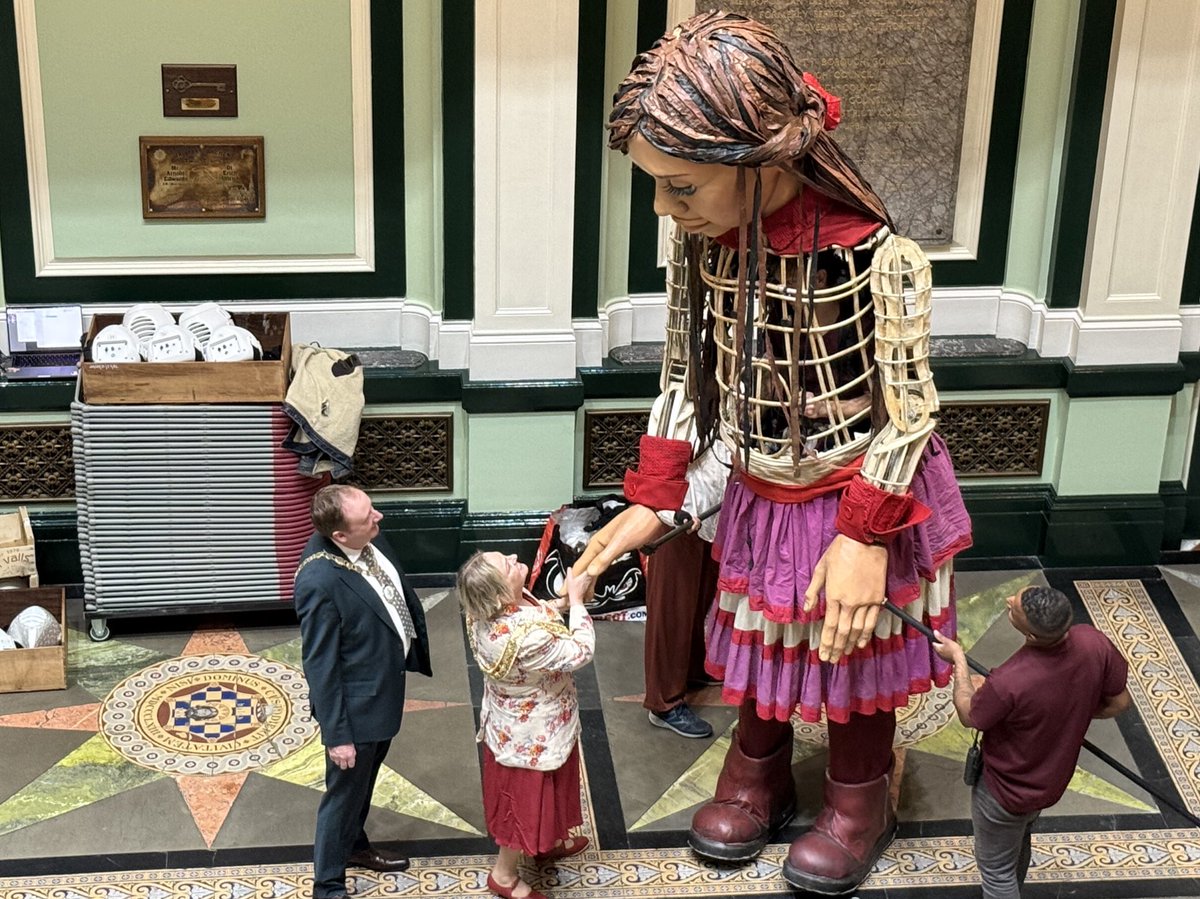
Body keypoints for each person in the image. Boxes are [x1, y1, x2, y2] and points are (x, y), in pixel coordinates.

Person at [573, 11, 973, 894]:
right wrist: (657, 491)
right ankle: (756, 765)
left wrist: (866, 535)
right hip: (759, 486)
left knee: (849, 649)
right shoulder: (703, 252)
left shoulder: (882, 260)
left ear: (768, 161)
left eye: (679, 186)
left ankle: (860, 792)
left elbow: (908, 414)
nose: (663, 208)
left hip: (863, 490)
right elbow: (685, 376)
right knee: (761, 633)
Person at [933, 586, 1131, 899]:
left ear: (1031, 635)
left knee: (997, 875)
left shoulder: (1009, 682)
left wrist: (958, 660)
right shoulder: (1094, 642)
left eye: (1015, 608)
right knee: (1018, 842)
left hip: (1004, 792)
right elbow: (1118, 703)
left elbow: (970, 715)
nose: (1008, 600)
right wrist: (1068, 713)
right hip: (1049, 783)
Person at [294, 484, 433, 899]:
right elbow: (321, 665)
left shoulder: (364, 532)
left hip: (382, 693)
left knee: (364, 784)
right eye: (368, 518)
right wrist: (338, 735)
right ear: (339, 536)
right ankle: (328, 886)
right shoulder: (319, 581)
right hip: (356, 712)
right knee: (343, 795)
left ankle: (354, 847)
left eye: (372, 511)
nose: (379, 519)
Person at [458, 551, 596, 899]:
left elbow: (536, 614)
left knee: (541, 795)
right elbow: (581, 651)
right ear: (502, 593)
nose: (514, 555)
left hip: (512, 725)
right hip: (534, 733)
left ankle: (545, 842)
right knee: (523, 803)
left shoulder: (484, 610)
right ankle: (504, 877)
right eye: (507, 563)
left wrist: (564, 601)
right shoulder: (526, 639)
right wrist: (578, 602)